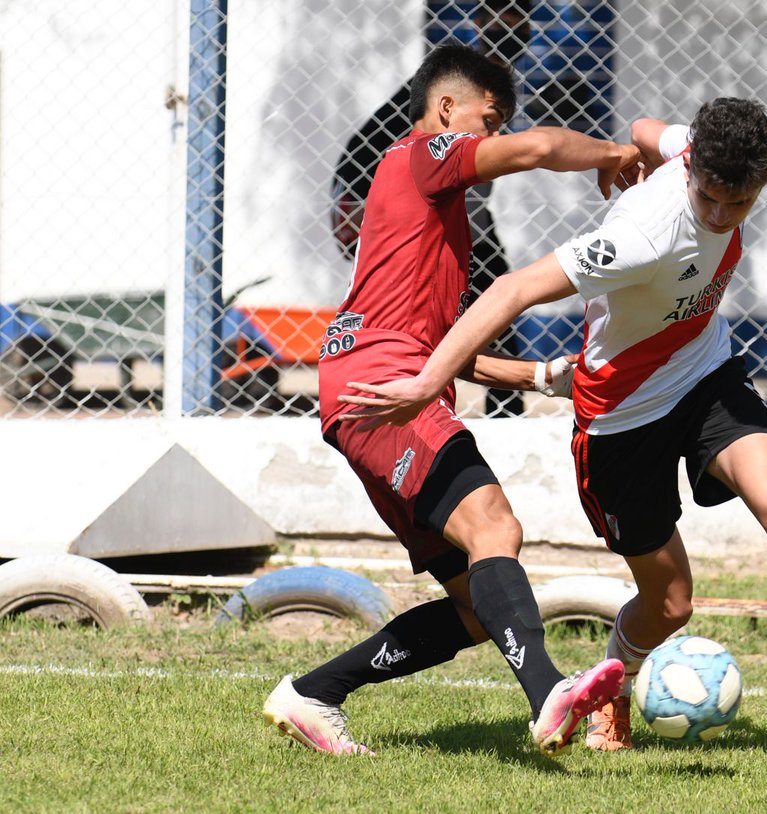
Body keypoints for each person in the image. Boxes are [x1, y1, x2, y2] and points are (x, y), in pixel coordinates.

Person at [335, 97, 767, 762]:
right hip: (620, 420)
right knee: (670, 605)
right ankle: (613, 689)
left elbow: (644, 130)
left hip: (705, 375)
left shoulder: (692, 150)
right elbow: (513, 290)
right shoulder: (645, 234)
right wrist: (429, 382)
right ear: (693, 169)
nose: (721, 216)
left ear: (763, 180)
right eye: (711, 200)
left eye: (740, 204)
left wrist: (631, 152)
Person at [262, 42, 643, 758]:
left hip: (374, 387)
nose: (494, 138)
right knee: (495, 526)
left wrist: (537, 378)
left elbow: (441, 347)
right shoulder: (424, 156)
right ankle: (549, 697)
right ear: (446, 111)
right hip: (383, 391)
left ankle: (314, 694)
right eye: (488, 120)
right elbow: (536, 149)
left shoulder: (429, 206)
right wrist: (610, 155)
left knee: (474, 608)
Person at [331, 0, 531, 416]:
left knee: (494, 300)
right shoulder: (454, 87)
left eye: (515, 20)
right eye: (495, 19)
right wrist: (351, 203)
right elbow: (362, 150)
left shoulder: (501, 85)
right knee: (482, 299)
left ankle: (504, 407)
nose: (506, 30)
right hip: (414, 215)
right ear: (479, 23)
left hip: (468, 214)